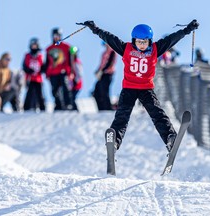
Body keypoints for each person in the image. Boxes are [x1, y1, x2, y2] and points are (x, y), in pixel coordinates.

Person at [78, 19, 199, 153]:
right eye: (139, 41)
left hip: (146, 89)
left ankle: (170, 138)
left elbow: (172, 39)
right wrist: (95, 29)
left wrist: (187, 30)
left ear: (150, 41)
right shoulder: (126, 48)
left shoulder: (155, 49)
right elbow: (109, 38)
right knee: (122, 116)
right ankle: (114, 142)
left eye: (145, 42)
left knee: (158, 114)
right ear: (134, 40)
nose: (142, 45)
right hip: (129, 88)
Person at [44, 28, 73, 111]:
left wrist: (71, 72)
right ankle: (58, 105)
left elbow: (70, 61)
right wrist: (47, 74)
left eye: (58, 36)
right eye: (54, 36)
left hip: (63, 71)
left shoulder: (66, 47)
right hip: (53, 73)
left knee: (66, 88)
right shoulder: (49, 49)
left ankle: (68, 104)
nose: (56, 37)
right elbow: (47, 62)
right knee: (54, 90)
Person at [92, 41, 117, 111]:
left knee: (104, 91)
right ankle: (101, 108)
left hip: (108, 74)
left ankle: (107, 108)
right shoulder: (103, 53)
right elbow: (101, 64)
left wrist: (102, 71)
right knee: (96, 91)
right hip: (102, 75)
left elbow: (110, 63)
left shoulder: (112, 52)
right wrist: (97, 71)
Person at [23, 38, 45, 111]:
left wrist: (41, 70)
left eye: (35, 45)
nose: (34, 47)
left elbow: (43, 66)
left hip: (38, 79)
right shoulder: (27, 55)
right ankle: (26, 108)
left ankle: (42, 108)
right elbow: (24, 66)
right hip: (30, 78)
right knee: (29, 93)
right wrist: (29, 70)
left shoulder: (40, 56)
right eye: (32, 45)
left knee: (40, 94)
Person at [70, 46, 83, 111]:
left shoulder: (77, 62)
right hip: (73, 83)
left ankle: (75, 109)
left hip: (77, 83)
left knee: (72, 96)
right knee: (71, 96)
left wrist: (76, 80)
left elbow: (79, 73)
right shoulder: (72, 62)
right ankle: (73, 108)